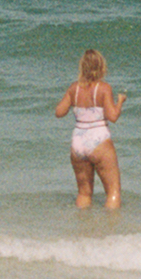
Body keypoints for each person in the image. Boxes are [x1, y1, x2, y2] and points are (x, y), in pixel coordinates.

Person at [55, 49, 125, 210]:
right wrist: (120, 101)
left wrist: (72, 100)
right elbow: (113, 116)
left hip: (78, 141)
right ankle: (113, 230)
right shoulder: (104, 88)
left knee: (84, 193)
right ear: (101, 67)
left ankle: (83, 229)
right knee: (113, 192)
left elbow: (59, 112)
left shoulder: (74, 88)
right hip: (98, 139)